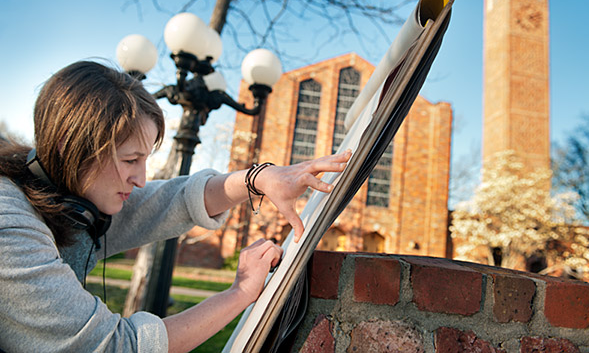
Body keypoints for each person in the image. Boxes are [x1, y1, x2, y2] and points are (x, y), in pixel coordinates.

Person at [0, 60, 351, 352]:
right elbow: (115, 347)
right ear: (69, 147)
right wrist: (240, 292)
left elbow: (170, 201)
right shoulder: (10, 231)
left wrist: (258, 179)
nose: (140, 179)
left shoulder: (72, 198)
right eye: (130, 160)